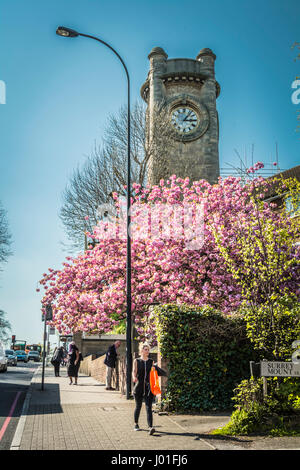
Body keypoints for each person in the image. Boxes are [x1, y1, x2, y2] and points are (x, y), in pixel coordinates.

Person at [132, 343, 166, 436]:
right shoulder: (137, 361)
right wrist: (134, 377)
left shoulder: (151, 361)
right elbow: (134, 372)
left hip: (148, 388)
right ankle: (136, 424)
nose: (147, 351)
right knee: (138, 406)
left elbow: (154, 373)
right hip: (138, 387)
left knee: (148, 408)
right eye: (146, 349)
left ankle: (150, 427)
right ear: (141, 350)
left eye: (148, 349)